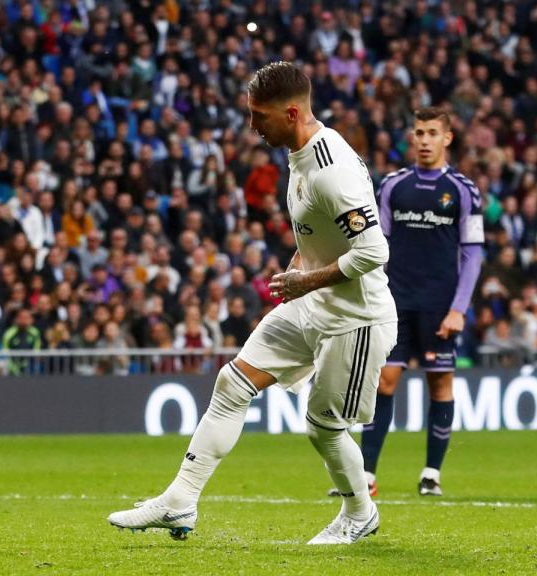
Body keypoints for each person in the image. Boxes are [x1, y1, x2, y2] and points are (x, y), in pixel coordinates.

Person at [108, 62, 396, 545]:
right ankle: (180, 501)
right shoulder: (300, 152)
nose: (252, 125)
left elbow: (374, 251)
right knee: (233, 382)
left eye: (259, 116)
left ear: (290, 113)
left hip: (356, 319)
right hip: (314, 301)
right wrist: (299, 270)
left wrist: (306, 281)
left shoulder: (332, 172)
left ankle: (359, 514)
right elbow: (317, 233)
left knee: (323, 428)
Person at [357, 107, 484, 497]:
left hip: (440, 305)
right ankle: (367, 475)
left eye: (432, 133)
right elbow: (378, 244)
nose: (425, 140)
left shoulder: (463, 189)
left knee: (440, 384)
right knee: (384, 381)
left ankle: (431, 472)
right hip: (396, 302)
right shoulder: (394, 185)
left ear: (447, 138)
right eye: (419, 133)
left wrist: (458, 309)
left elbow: (473, 253)